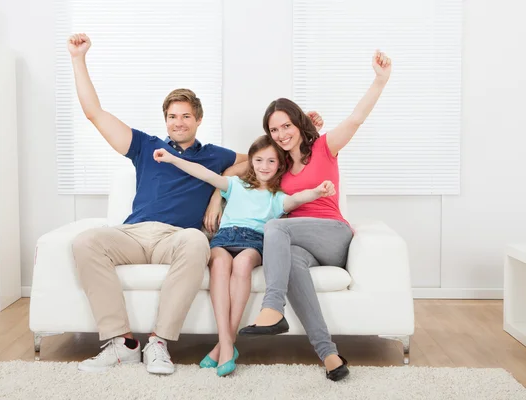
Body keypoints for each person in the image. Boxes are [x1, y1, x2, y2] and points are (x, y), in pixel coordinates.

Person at [66, 33, 249, 375]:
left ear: (198, 119)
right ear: (165, 120)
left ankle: (158, 342)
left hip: (177, 238)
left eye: (186, 116)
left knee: (198, 242)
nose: (178, 122)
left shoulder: (213, 155)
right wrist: (78, 60)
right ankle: (123, 344)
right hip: (134, 234)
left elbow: (257, 161)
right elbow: (95, 113)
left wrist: (217, 192)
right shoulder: (145, 146)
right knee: (85, 241)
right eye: (172, 116)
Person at [234, 50, 392, 382]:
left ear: (298, 123)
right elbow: (240, 167)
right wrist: (212, 202)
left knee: (276, 226)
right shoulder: (276, 165)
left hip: (332, 234)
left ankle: (272, 308)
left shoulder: (324, 147)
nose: (280, 134)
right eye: (274, 130)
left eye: (286, 126)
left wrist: (379, 81)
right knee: (290, 260)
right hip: (299, 240)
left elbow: (356, 118)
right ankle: (329, 354)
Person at [153, 136, 336, 376]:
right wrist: (172, 159)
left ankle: (223, 347)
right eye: (259, 160)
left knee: (241, 264)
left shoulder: (277, 197)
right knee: (219, 263)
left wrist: (317, 191)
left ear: (280, 166)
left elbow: (298, 198)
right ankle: (226, 343)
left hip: (253, 242)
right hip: (224, 238)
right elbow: (204, 174)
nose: (264, 166)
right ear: (251, 162)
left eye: (271, 161)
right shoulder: (235, 185)